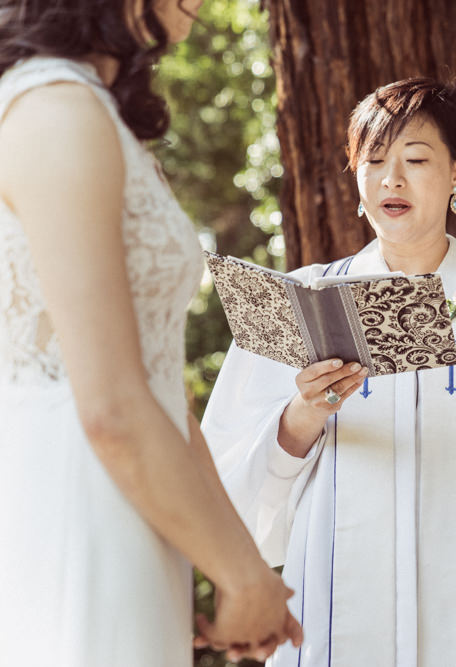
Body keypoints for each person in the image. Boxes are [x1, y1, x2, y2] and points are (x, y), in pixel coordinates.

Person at [202, 77, 456, 666]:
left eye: (415, 160)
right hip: (334, 607)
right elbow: (231, 494)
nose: (390, 179)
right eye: (373, 160)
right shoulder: (299, 300)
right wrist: (301, 416)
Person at [0, 1, 303, 665]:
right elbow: (110, 407)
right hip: (76, 509)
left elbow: (164, 393)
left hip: (138, 507)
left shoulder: (97, 116)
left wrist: (240, 563)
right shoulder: (53, 111)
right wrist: (240, 576)